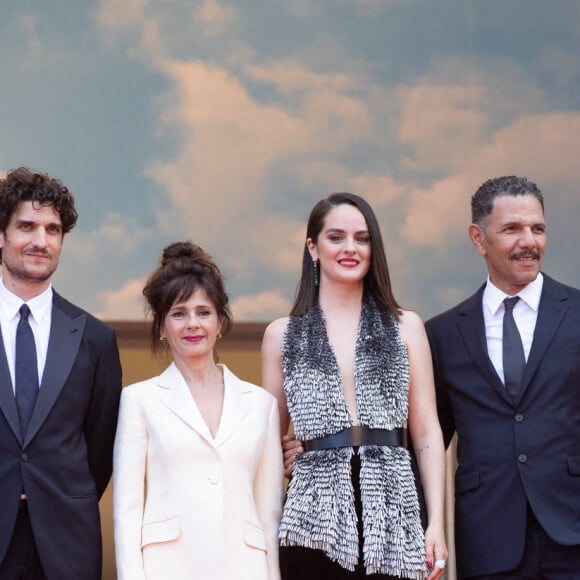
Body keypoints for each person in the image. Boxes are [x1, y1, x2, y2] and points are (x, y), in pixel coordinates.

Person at [261, 192, 447, 580]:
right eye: (336, 237)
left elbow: (427, 432)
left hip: (395, 517)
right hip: (311, 523)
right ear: (312, 247)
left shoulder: (406, 326)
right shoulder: (282, 335)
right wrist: (292, 453)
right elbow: (266, 442)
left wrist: (436, 525)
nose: (350, 248)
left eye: (362, 239)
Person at [425, 175, 580, 579]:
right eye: (512, 229)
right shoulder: (442, 334)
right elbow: (423, 443)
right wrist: (322, 451)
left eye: (538, 228)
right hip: (487, 540)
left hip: (573, 532)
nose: (529, 241)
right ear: (479, 239)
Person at [113, 241, 284, 580]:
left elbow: (269, 515)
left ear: (220, 322)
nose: (193, 324)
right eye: (179, 314)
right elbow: (126, 512)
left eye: (203, 312)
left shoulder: (262, 405)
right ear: (162, 327)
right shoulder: (138, 400)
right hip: (167, 569)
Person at [0, 167, 122, 579]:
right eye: (26, 226)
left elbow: (100, 449)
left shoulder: (96, 339)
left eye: (52, 229)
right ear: (1, 236)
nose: (40, 240)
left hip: (65, 546)